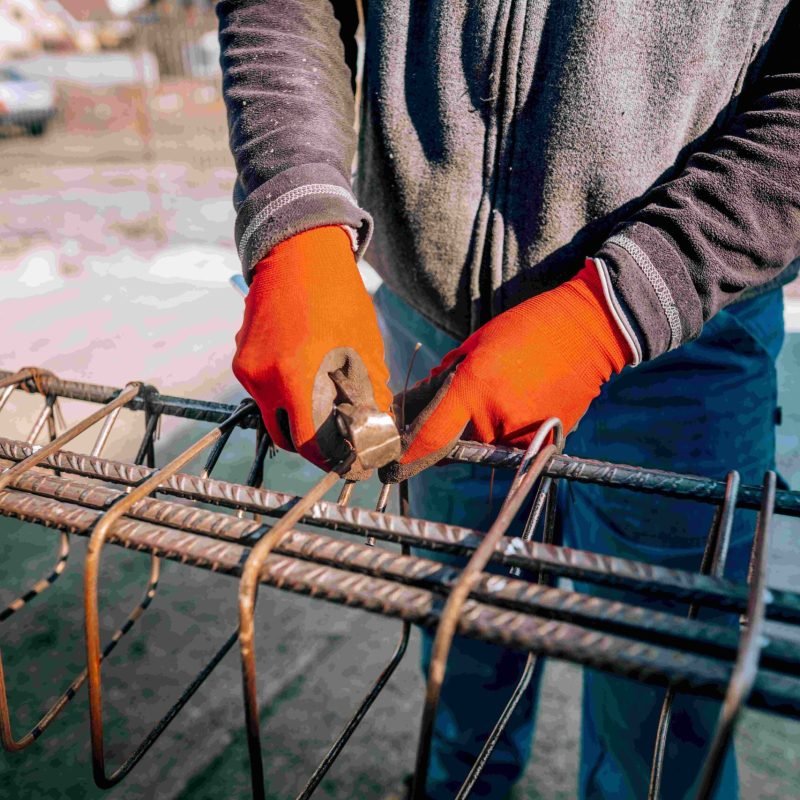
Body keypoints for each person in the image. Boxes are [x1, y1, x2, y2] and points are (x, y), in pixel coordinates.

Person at [218, 3, 799, 798]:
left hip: (684, 341)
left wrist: (612, 312)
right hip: (431, 322)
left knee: (663, 708)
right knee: (461, 640)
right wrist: (298, 226)